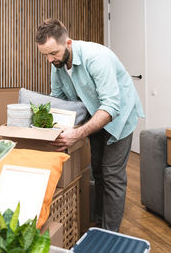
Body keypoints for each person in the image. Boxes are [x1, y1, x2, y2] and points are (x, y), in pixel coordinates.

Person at [36, 19, 144, 232]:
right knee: (97, 171)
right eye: (44, 55)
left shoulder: (96, 58)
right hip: (94, 116)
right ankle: (98, 223)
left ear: (68, 43)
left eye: (53, 53)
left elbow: (112, 106)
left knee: (112, 174)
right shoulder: (56, 65)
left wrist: (78, 133)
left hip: (119, 117)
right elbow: (58, 100)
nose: (49, 59)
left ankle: (110, 234)